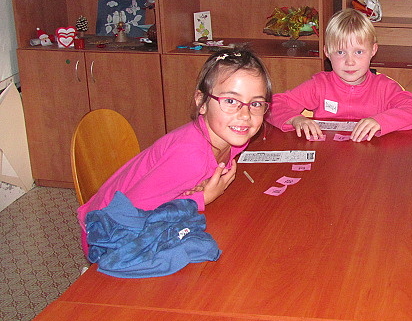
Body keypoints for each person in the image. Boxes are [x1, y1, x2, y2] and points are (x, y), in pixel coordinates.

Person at [77, 47, 272, 250]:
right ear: (202, 102)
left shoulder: (233, 136)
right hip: (106, 234)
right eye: (230, 101)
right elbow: (130, 214)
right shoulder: (190, 157)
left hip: (135, 220)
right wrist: (201, 198)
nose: (245, 115)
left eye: (256, 104)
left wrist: (194, 186)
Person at [266, 8, 412, 142]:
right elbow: (272, 105)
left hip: (371, 157)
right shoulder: (319, 84)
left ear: (373, 50)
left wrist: (380, 121)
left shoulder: (384, 87)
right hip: (328, 156)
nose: (350, 62)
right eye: (340, 52)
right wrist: (296, 119)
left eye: (359, 52)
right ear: (327, 52)